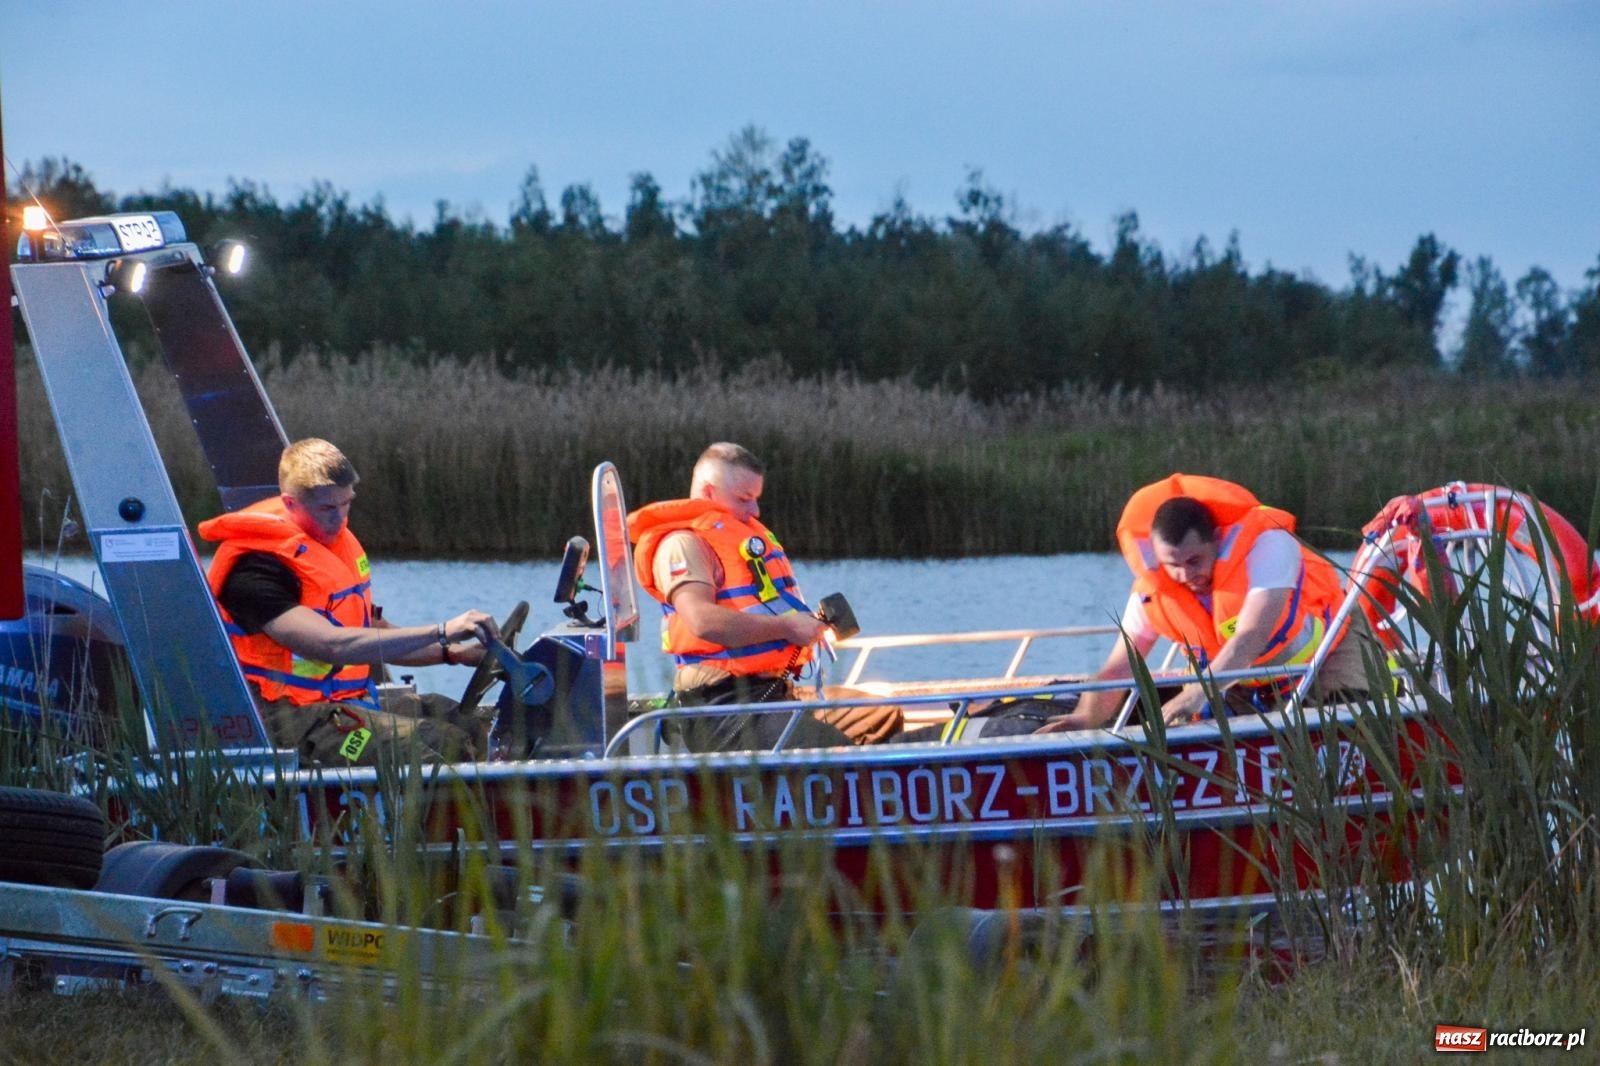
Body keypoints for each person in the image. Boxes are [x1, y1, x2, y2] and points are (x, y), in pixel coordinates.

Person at [199, 438, 501, 765]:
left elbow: (374, 635)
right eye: (327, 508)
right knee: (432, 743)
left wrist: (452, 653)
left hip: (344, 702)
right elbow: (331, 645)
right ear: (289, 503)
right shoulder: (256, 569)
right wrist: (442, 630)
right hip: (289, 719)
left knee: (465, 721)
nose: (340, 518)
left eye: (346, 503)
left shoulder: (331, 545)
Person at [1039, 473, 1374, 732]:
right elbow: (1121, 666)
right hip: (1238, 678)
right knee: (1203, 727)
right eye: (1173, 565)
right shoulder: (1151, 593)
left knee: (1350, 721)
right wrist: (1084, 718)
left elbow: (1250, 636)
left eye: (1195, 561)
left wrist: (1196, 693)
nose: (1186, 575)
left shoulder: (1269, 546)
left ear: (1216, 539)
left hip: (1329, 652)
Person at [628, 443, 897, 751]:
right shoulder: (683, 543)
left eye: (756, 499)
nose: (755, 511)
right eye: (744, 499)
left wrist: (807, 624)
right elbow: (701, 621)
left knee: (880, 715)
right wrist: (787, 628)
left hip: (774, 691)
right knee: (828, 747)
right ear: (708, 491)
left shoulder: (744, 536)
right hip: (721, 706)